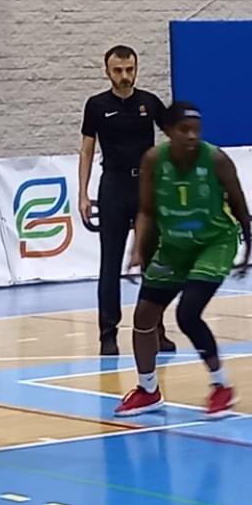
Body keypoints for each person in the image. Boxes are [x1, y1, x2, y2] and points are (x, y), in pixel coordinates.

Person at [113, 102, 252, 418]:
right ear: (168, 131)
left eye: (196, 130)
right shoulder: (153, 160)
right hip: (175, 246)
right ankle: (148, 390)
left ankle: (221, 386)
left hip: (214, 243)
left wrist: (248, 249)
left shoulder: (215, 159)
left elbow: (240, 204)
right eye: (184, 129)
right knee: (144, 316)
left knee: (187, 314)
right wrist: (137, 249)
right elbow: (146, 210)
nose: (192, 136)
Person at [79, 45, 175, 356]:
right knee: (110, 264)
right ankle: (107, 334)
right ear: (107, 71)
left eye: (129, 69)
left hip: (146, 187)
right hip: (114, 187)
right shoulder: (96, 105)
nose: (125, 76)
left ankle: (156, 329)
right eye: (118, 70)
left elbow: (175, 135)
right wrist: (83, 193)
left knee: (153, 262)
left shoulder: (149, 102)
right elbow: (87, 150)